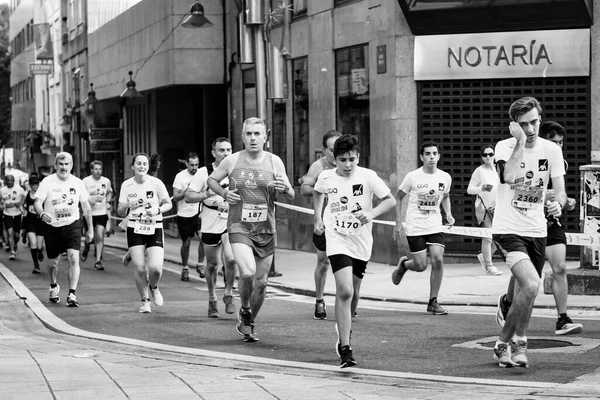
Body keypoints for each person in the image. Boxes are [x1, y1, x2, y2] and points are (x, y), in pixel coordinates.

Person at [491, 97, 566, 368]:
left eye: (535, 122)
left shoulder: (552, 150)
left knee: (528, 290)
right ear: (515, 126)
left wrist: (557, 203)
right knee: (532, 284)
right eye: (524, 125)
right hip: (507, 230)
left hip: (537, 230)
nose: (532, 129)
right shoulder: (504, 147)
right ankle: (520, 342)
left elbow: (560, 191)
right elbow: (508, 176)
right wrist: (520, 142)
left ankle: (501, 345)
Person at [207, 117, 295, 342]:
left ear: (265, 137)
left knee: (263, 282)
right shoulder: (232, 160)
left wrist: (284, 188)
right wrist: (225, 194)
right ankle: (245, 307)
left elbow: (291, 193)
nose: (253, 138)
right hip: (239, 226)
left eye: (257, 134)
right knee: (247, 272)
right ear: (242, 137)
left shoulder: (275, 162)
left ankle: (248, 320)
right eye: (249, 134)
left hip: (266, 229)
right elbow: (211, 180)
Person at [313, 134, 395, 368]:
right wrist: (318, 217)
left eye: (352, 159)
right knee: (345, 290)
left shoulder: (368, 176)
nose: (348, 165)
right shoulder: (326, 177)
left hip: (361, 242)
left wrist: (372, 213)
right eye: (342, 160)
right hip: (336, 238)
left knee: (354, 294)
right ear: (334, 160)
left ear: (358, 157)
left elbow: (389, 200)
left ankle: (344, 325)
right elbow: (318, 192)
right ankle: (345, 346)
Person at [496, 120, 583, 337]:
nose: (558, 146)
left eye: (561, 142)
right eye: (554, 141)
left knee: (560, 267)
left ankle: (563, 318)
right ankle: (508, 306)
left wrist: (562, 203)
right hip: (519, 223)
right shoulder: (516, 151)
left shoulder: (556, 158)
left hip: (548, 224)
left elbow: (560, 194)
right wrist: (543, 197)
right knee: (526, 276)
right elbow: (513, 185)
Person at [391, 141, 455, 315]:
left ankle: (433, 301)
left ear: (439, 156)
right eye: (428, 154)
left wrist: (448, 214)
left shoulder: (445, 177)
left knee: (438, 259)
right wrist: (398, 222)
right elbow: (398, 197)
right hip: (416, 225)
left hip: (434, 224)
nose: (432, 157)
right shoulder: (413, 177)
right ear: (421, 157)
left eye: (435, 153)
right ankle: (405, 264)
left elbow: (445, 197)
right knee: (421, 265)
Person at [34, 152, 94, 307]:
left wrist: (90, 229)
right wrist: (41, 213)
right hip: (52, 226)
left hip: (72, 224)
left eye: (67, 164)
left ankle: (72, 294)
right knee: (53, 263)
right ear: (55, 165)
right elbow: (37, 202)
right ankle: (53, 286)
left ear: (71, 165)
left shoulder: (78, 182)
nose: (63, 167)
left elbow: (86, 208)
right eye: (61, 164)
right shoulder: (47, 182)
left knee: (74, 257)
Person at [186, 137, 237, 318]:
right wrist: (205, 194)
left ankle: (229, 293)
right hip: (210, 219)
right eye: (221, 150)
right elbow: (188, 197)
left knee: (231, 259)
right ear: (213, 153)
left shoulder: (237, 169)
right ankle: (212, 298)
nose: (226, 153)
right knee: (213, 264)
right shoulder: (203, 173)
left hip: (231, 219)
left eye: (229, 150)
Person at [117, 153, 172, 313]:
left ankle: (153, 286)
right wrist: (128, 204)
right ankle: (145, 301)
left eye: (145, 164)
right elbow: (120, 211)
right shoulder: (126, 185)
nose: (142, 166)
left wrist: (157, 209)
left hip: (155, 227)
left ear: (148, 167)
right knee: (140, 268)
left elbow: (168, 203)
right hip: (135, 227)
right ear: (132, 166)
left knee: (155, 268)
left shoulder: (156, 183)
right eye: (138, 163)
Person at [300, 129, 342, 320]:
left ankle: (346, 300)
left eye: (338, 148)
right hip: (324, 222)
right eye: (332, 149)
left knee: (346, 263)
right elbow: (305, 188)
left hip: (345, 222)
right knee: (324, 262)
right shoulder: (319, 167)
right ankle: (319, 300)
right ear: (325, 150)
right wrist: (322, 188)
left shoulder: (349, 164)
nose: (336, 153)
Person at [467, 145, 502, 276]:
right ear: (482, 157)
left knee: (500, 237)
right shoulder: (479, 171)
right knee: (487, 237)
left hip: (498, 207)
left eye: (491, 154)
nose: (488, 157)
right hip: (486, 208)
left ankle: (484, 256)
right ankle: (489, 265)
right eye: (485, 154)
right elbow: (469, 190)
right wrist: (482, 188)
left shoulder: (498, 169)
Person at [172, 153, 205, 281]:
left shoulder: (202, 174)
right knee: (186, 243)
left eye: (197, 164)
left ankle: (200, 264)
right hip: (184, 214)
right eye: (192, 165)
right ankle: (185, 268)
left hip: (200, 212)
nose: (194, 167)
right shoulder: (180, 177)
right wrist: (187, 190)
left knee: (204, 238)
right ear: (186, 164)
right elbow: (175, 197)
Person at [81, 160, 113, 271]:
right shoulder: (85, 181)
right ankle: (86, 247)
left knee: (100, 235)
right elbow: (81, 196)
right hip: (89, 213)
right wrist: (88, 200)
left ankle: (98, 261)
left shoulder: (106, 181)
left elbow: (109, 191)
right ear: (91, 170)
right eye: (96, 169)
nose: (98, 171)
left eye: (100, 169)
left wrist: (108, 202)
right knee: (90, 236)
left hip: (101, 212)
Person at [0, 174, 26, 260]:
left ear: (14, 181)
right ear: (5, 181)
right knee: (10, 233)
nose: (10, 182)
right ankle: (12, 252)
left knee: (17, 235)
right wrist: (4, 206)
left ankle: (15, 244)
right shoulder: (2, 190)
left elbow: (24, 196)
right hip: (7, 215)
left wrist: (20, 203)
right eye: (8, 180)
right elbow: (0, 202)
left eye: (11, 180)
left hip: (18, 214)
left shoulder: (19, 189)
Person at [23, 175, 45, 273]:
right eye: (33, 184)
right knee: (33, 242)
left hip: (40, 221)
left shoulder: (43, 194)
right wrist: (24, 212)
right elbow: (20, 205)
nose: (35, 186)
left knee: (39, 246)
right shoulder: (26, 194)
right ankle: (36, 265)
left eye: (37, 184)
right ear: (30, 185)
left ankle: (40, 251)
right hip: (30, 221)